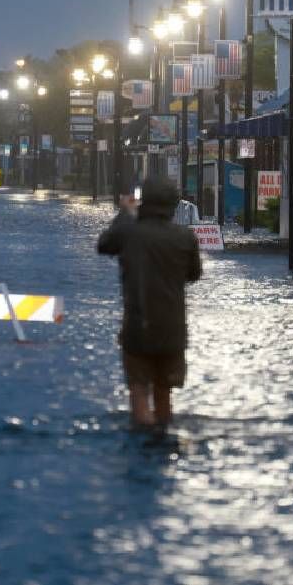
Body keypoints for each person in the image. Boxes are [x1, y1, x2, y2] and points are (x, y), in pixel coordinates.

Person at [97, 178, 202, 429]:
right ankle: (162, 437)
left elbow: (104, 245)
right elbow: (194, 274)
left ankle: (142, 434)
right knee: (164, 392)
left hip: (137, 324)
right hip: (173, 330)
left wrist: (125, 213)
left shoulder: (130, 232)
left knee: (139, 389)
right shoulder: (185, 238)